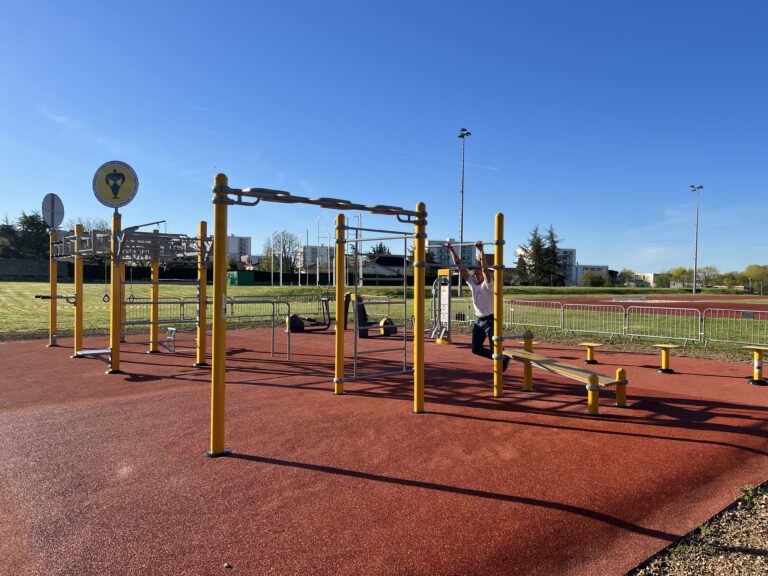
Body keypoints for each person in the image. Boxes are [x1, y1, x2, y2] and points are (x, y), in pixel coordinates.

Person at [446, 240, 510, 371]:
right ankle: (502, 357)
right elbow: (460, 267)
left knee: (495, 350)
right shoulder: (473, 284)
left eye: (477, 274)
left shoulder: (488, 284)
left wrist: (481, 250)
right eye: (474, 274)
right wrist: (451, 250)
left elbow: (485, 269)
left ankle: (501, 359)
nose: (475, 276)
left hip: (491, 320)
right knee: (475, 349)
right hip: (479, 321)